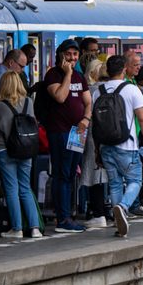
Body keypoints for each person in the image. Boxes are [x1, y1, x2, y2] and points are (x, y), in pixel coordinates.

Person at [96, 55, 143, 237]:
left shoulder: (98, 91)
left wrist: (97, 151)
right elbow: (142, 118)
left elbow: (96, 124)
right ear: (123, 70)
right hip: (127, 145)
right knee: (135, 181)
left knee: (115, 184)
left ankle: (118, 224)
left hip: (106, 145)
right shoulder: (131, 89)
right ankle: (122, 207)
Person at [42, 39, 92, 233]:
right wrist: (68, 74)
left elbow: (88, 102)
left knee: (72, 174)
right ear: (60, 55)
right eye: (68, 54)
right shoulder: (53, 75)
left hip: (77, 132)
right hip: (60, 132)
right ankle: (62, 218)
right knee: (62, 174)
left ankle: (68, 214)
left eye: (75, 54)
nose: (72, 58)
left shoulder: (81, 77)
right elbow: (61, 96)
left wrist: (86, 119)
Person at [0, 71, 43, 239]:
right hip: (26, 149)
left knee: (11, 188)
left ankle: (17, 228)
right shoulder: (29, 102)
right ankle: (35, 228)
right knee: (25, 187)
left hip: (5, 149)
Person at [79, 57, 109, 228]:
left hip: (91, 136)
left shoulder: (90, 91)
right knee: (105, 175)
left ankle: (98, 213)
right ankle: (107, 210)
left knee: (93, 174)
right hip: (108, 136)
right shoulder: (110, 90)